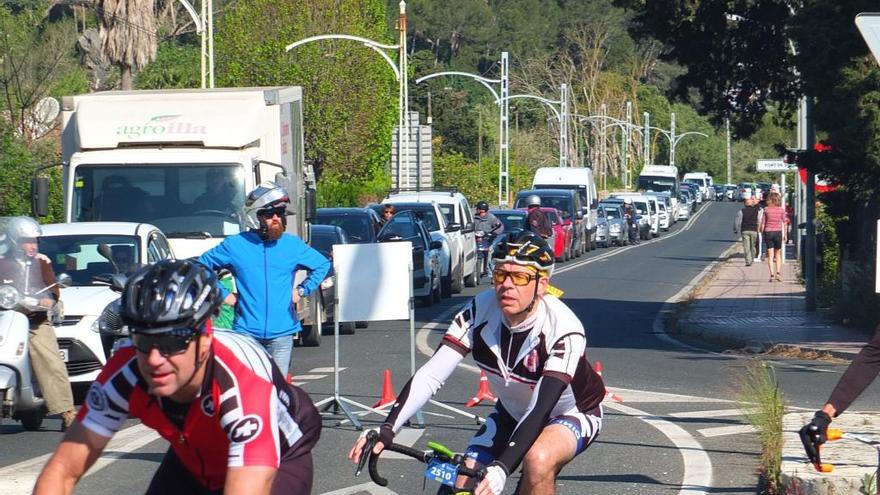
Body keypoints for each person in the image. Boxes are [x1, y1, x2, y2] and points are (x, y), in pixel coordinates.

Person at [348, 230, 606, 495]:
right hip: (513, 411)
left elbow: (541, 408)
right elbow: (432, 375)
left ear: (542, 284)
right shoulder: (479, 310)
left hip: (570, 413)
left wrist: (502, 468)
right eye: (500, 274)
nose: (507, 285)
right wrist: (388, 428)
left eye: (519, 277)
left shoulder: (563, 327)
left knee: (538, 461)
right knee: (464, 480)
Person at [33, 260, 321, 495]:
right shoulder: (125, 372)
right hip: (198, 451)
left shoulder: (242, 383)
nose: (155, 359)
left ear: (205, 338)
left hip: (281, 453)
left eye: (173, 341)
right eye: (143, 340)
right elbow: (63, 471)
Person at [199, 183, 330, 376]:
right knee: (249, 389)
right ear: (255, 217)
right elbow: (201, 266)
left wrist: (302, 290)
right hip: (246, 333)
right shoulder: (236, 245)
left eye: (280, 213)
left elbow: (322, 265)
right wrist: (222, 294)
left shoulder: (292, 245)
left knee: (276, 391)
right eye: (269, 214)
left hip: (282, 334)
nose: (276, 218)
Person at [0, 217, 76, 430]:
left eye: (36, 241)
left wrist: (49, 299)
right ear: (15, 240)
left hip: (35, 321)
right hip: (5, 319)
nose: (33, 245)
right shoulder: (1, 262)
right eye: (27, 240)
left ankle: (67, 411)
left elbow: (52, 287)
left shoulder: (42, 261)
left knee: (51, 361)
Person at [760, 191, 787, 282]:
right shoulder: (781, 210)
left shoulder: (766, 210)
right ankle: (778, 273)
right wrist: (785, 235)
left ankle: (771, 274)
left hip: (768, 232)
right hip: (778, 232)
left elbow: (763, 223)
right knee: (778, 254)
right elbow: (785, 222)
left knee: (770, 255)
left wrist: (761, 231)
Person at [734, 191, 762, 267]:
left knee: (746, 246)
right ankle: (752, 258)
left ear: (745, 204)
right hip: (754, 230)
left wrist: (736, 229)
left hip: (745, 230)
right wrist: (759, 227)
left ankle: (748, 260)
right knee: (753, 246)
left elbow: (738, 220)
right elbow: (759, 220)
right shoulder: (757, 211)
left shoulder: (741, 211)